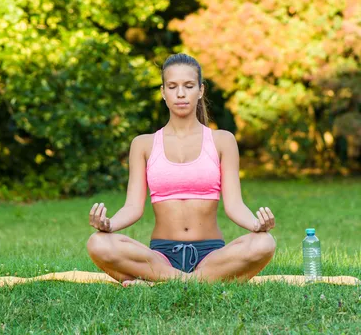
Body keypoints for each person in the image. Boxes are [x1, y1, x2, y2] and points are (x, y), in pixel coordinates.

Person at [87, 53, 276, 287]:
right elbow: (133, 207)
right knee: (97, 243)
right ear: (163, 92)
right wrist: (109, 225)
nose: (180, 93)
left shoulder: (222, 141)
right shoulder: (143, 144)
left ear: (201, 90)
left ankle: (161, 283)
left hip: (211, 255)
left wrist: (256, 225)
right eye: (172, 86)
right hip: (161, 257)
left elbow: (235, 205)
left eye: (188, 86)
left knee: (265, 243)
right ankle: (195, 282)